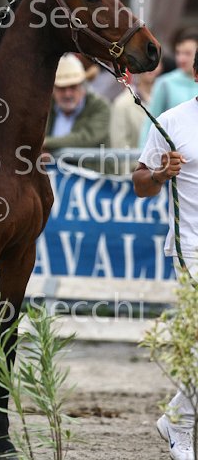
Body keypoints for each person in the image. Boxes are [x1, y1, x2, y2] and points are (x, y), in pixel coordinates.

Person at [132, 51, 198, 460]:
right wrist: (159, 173)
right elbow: (140, 182)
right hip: (192, 247)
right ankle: (181, 428)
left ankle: (176, 417)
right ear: (196, 73)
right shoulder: (172, 121)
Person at [44, 54, 110, 154]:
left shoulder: (99, 106)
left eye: (73, 87)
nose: (67, 94)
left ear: (83, 88)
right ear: (53, 90)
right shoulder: (45, 107)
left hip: (87, 164)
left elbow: (88, 138)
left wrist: (46, 143)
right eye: (62, 88)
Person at [139, 32, 198, 145]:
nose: (181, 59)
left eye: (187, 53)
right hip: (174, 151)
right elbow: (151, 122)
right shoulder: (165, 83)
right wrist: (143, 151)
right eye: (178, 53)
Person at [110, 61, 162, 149]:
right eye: (145, 61)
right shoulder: (122, 103)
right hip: (135, 157)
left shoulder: (165, 98)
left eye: (155, 61)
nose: (150, 67)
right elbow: (120, 146)